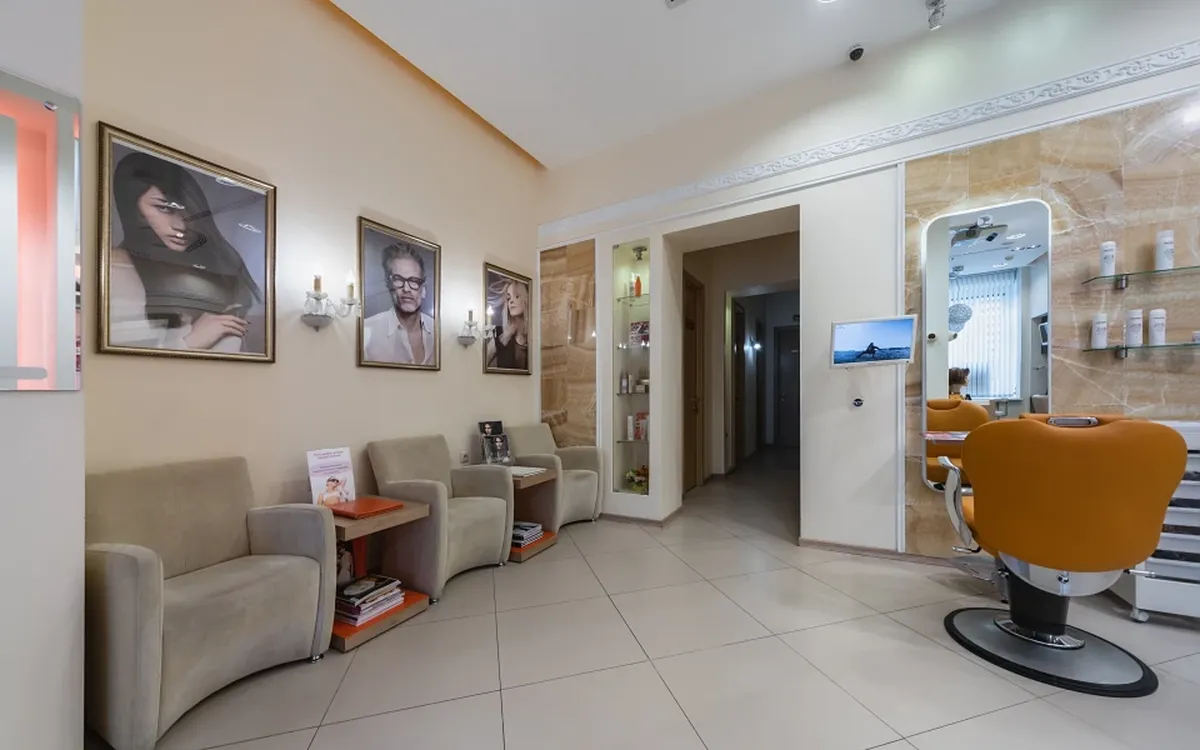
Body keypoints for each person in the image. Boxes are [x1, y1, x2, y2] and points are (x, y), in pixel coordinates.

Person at [108, 151, 263, 352]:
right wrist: (189, 343)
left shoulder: (218, 270)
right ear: (132, 207)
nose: (180, 225)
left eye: (188, 212)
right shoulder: (115, 270)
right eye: (164, 208)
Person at [362, 243, 437, 365]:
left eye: (414, 281)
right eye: (398, 279)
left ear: (423, 289)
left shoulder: (438, 331)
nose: (406, 289)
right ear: (389, 285)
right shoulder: (367, 330)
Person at [486, 279, 529, 370]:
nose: (511, 301)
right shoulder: (500, 334)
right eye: (509, 298)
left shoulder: (533, 335)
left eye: (517, 296)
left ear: (526, 299)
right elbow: (481, 362)